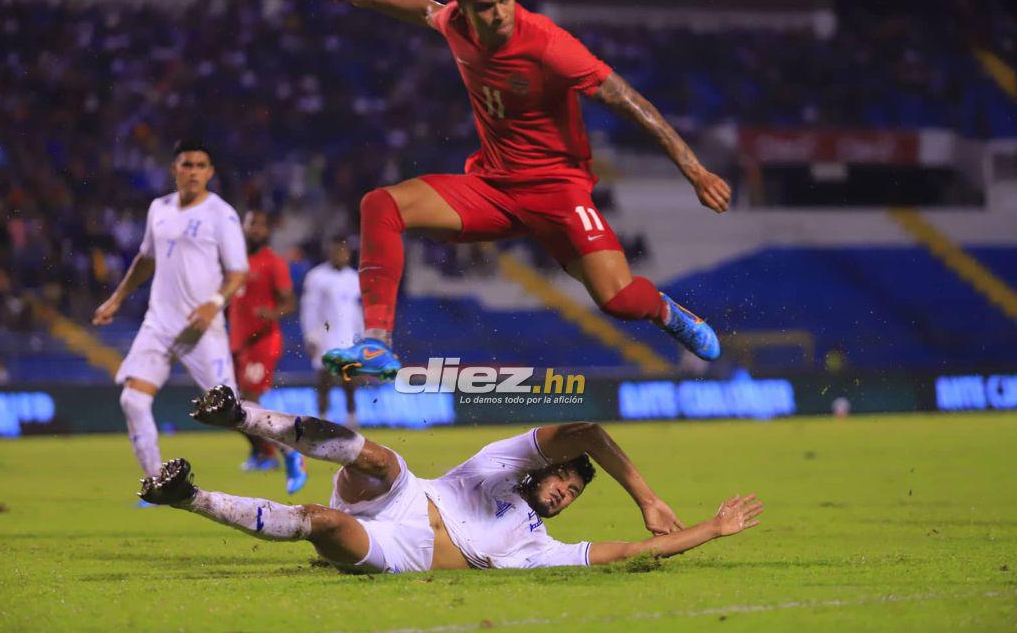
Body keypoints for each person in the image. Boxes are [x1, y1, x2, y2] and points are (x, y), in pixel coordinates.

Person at [319, 0, 733, 381]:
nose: (500, 13)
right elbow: (425, 9)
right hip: (493, 189)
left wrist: (695, 170)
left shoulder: (547, 43)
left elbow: (629, 100)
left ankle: (669, 312)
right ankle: (376, 342)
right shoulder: (454, 25)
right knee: (380, 205)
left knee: (620, 301)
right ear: (463, 6)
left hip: (559, 192)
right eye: (485, 6)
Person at [139, 385, 763, 572]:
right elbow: (588, 431)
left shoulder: (539, 547)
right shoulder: (498, 470)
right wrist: (647, 497)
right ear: (542, 472)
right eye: (562, 483)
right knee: (380, 459)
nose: (563, 495)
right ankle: (239, 414)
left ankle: (185, 495)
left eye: (572, 496)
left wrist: (714, 527)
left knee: (323, 524)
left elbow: (633, 550)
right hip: (409, 497)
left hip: (401, 552)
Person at [93, 141, 248, 495]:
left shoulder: (221, 214)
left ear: (210, 172)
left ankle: (288, 451)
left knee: (233, 412)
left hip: (201, 329)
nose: (193, 171)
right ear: (174, 169)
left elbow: (238, 272)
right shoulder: (158, 209)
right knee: (132, 399)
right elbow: (146, 258)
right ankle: (158, 485)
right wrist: (117, 298)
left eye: (200, 165)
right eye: (186, 164)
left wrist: (213, 303)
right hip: (159, 324)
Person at [228, 210, 307, 493]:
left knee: (248, 402)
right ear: (244, 228)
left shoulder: (273, 263)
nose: (256, 229)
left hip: (262, 342)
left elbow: (290, 303)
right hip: (237, 342)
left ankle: (281, 448)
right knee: (234, 404)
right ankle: (262, 452)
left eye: (261, 224)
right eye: (252, 224)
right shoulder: (234, 262)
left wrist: (272, 312)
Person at [300, 236, 363, 428]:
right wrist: (310, 334)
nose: (341, 255)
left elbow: (357, 310)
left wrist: (361, 334)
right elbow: (309, 308)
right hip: (325, 335)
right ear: (330, 252)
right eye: (337, 251)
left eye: (344, 251)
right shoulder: (316, 277)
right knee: (324, 379)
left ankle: (351, 417)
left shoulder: (354, 278)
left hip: (349, 336)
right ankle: (322, 416)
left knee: (350, 380)